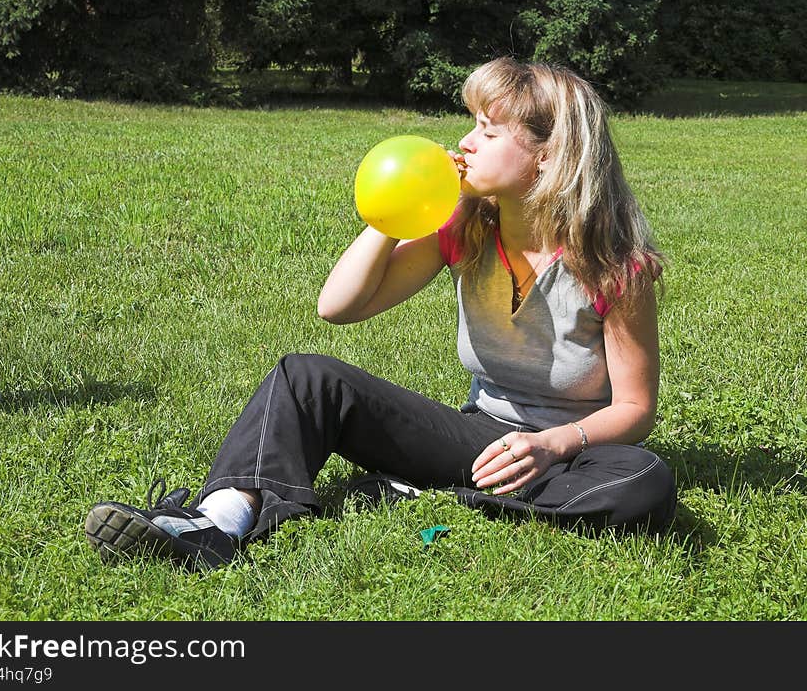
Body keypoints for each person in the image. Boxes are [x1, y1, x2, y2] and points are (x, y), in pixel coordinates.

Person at [84, 57, 677, 571]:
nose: (466, 142)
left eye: (489, 131)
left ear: (548, 158)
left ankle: (428, 491)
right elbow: (338, 307)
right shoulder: (463, 230)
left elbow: (634, 409)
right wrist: (389, 214)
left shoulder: (614, 267)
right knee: (304, 377)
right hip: (476, 437)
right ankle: (217, 522)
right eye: (472, 124)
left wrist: (552, 444)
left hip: (569, 453)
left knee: (644, 483)